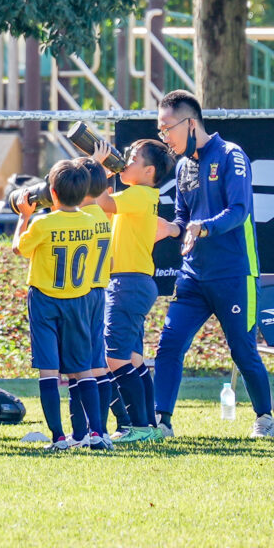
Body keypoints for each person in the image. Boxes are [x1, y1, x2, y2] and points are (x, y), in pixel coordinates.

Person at [152, 90, 274, 438]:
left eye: (167, 128)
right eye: (160, 130)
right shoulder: (182, 166)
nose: (165, 137)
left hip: (234, 274)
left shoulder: (231, 155)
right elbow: (182, 218)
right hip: (193, 277)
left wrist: (203, 227)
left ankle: (265, 418)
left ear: (190, 123)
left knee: (242, 350)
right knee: (169, 345)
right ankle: (162, 421)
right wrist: (171, 229)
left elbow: (239, 211)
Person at [13, 159, 110, 451]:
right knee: (83, 370)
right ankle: (97, 433)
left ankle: (58, 437)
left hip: (45, 299)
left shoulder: (43, 222)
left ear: (51, 192)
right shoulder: (92, 221)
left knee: (49, 372)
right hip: (79, 298)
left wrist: (23, 216)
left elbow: (19, 248)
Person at [92, 140, 176, 443]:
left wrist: (100, 167)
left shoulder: (140, 194)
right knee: (134, 359)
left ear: (149, 170)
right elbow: (103, 203)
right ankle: (149, 425)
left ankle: (138, 427)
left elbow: (106, 203)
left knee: (114, 358)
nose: (124, 161)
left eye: (132, 158)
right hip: (134, 282)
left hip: (127, 283)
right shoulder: (140, 195)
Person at [69, 157, 113, 448]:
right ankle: (100, 429)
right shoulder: (103, 215)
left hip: (81, 294)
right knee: (98, 364)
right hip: (100, 291)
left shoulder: (80, 218)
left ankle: (82, 431)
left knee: (78, 366)